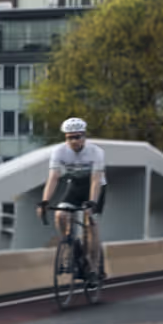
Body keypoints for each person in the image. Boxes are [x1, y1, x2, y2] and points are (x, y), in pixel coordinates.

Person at [40, 116, 107, 283]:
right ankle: (70, 244)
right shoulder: (59, 152)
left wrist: (92, 202)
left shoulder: (96, 152)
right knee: (60, 215)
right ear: (65, 138)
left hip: (95, 187)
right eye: (70, 137)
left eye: (78, 137)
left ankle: (92, 268)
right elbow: (53, 177)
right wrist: (45, 201)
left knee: (90, 222)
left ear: (84, 136)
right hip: (75, 186)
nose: (74, 141)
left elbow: (96, 179)